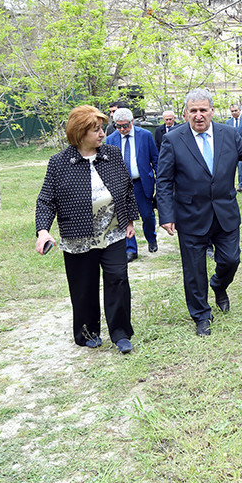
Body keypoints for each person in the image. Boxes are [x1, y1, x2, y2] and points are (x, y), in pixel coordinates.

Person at [155, 88, 242, 336]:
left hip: (225, 212)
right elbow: (164, 180)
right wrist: (166, 215)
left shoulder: (227, 133)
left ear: (212, 111)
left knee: (231, 259)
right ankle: (201, 315)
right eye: (194, 111)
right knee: (194, 270)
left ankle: (219, 285)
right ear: (185, 113)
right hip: (190, 215)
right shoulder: (173, 139)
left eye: (203, 110)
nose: (199, 115)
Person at [35, 105, 137, 353]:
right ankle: (87, 332)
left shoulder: (112, 154)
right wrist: (43, 230)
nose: (102, 134)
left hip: (112, 233)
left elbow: (127, 191)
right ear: (79, 133)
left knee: (118, 281)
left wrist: (130, 220)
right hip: (78, 238)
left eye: (102, 129)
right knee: (84, 287)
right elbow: (46, 200)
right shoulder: (59, 163)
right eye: (95, 130)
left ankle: (121, 333)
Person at [106, 108, 160, 261]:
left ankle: (151, 239)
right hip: (121, 185)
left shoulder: (145, 136)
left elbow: (155, 160)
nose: (122, 129)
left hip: (142, 183)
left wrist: (160, 180)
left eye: (125, 126)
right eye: (119, 126)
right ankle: (131, 249)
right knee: (124, 217)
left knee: (147, 215)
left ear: (132, 122)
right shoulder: (111, 139)